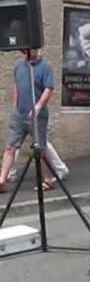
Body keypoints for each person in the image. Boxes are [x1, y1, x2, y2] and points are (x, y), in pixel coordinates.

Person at [0, 49, 55, 193]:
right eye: (25, 51)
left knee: (41, 150)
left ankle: (48, 179)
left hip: (37, 116)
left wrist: (38, 106)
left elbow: (48, 89)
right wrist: (15, 106)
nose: (28, 53)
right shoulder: (19, 66)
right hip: (19, 114)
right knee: (10, 147)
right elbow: (17, 87)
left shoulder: (45, 67)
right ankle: (2, 180)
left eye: (31, 50)